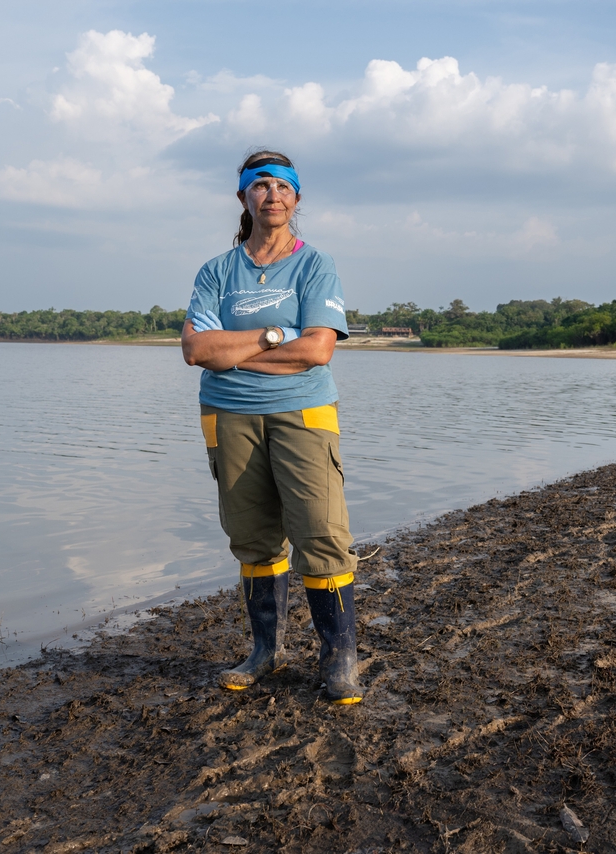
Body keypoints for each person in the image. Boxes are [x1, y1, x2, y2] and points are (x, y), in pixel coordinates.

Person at [181, 149, 363, 705]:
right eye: (260, 186)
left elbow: (318, 350)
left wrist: (238, 349)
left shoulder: (315, 266)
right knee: (252, 535)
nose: (273, 195)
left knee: (321, 532)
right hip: (228, 415)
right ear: (244, 198)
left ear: (297, 198)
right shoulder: (217, 271)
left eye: (283, 186)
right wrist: (276, 336)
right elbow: (196, 350)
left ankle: (339, 659)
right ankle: (265, 652)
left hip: (303, 412)